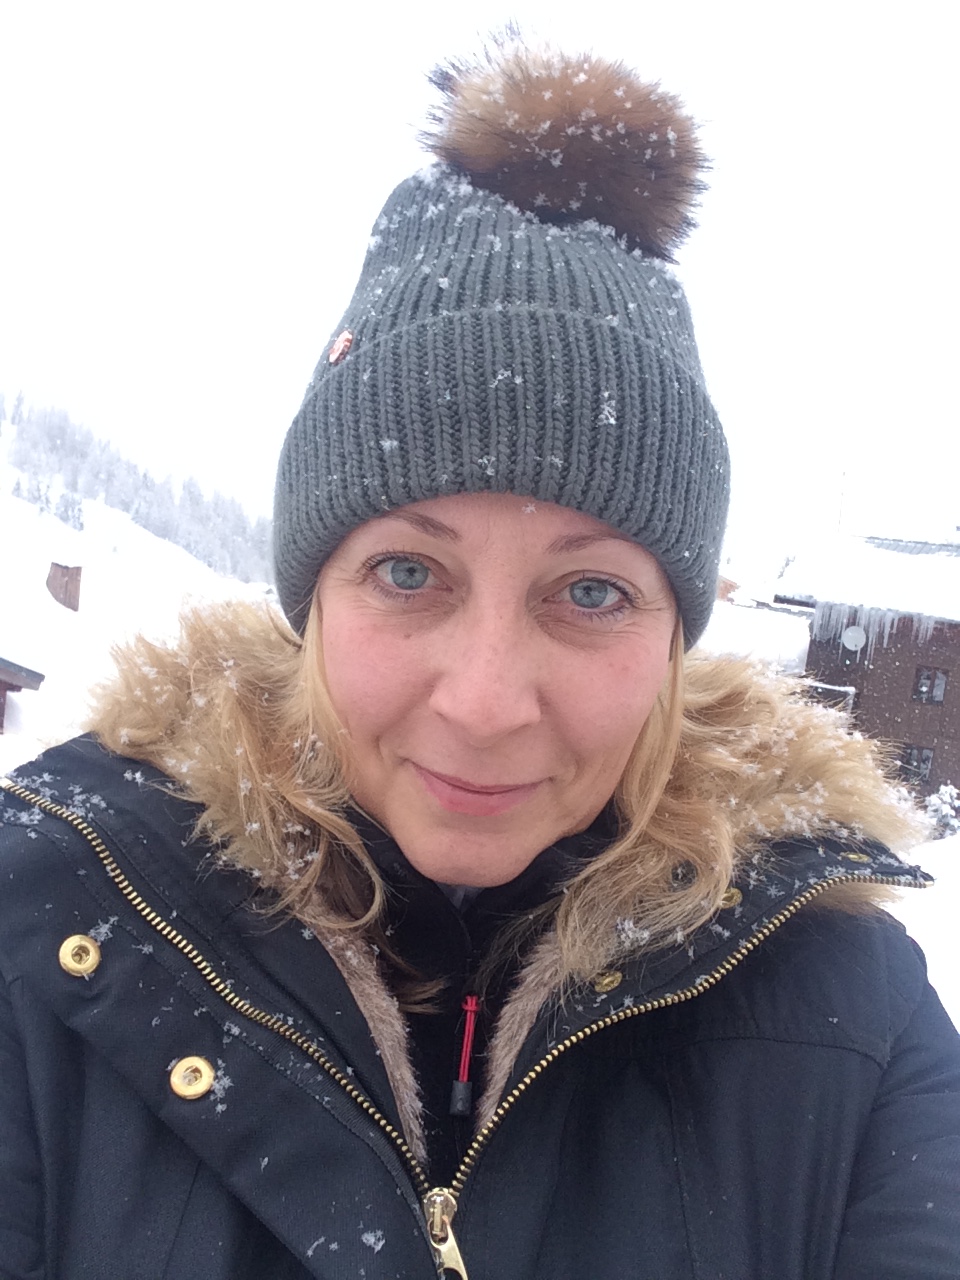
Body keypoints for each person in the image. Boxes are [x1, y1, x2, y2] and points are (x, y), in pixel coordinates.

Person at [1, 41, 959, 1280]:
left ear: (675, 639)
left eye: (592, 591)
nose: (487, 700)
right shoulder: (50, 928)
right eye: (410, 572)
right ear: (312, 598)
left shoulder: (857, 1026)